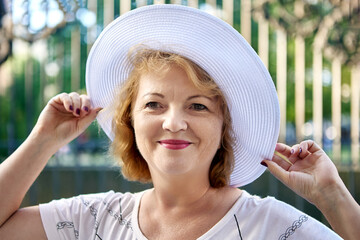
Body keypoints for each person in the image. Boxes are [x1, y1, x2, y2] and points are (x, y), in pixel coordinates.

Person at [0, 4, 359, 240]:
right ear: (130, 120)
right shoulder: (94, 220)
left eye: (198, 107)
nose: (173, 122)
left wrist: (333, 197)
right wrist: (43, 140)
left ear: (224, 128)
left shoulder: (273, 227)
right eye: (154, 104)